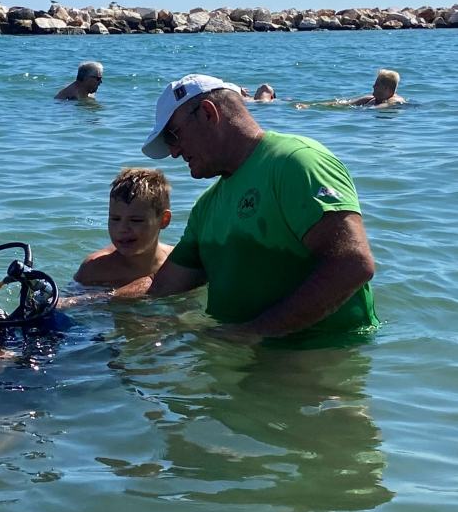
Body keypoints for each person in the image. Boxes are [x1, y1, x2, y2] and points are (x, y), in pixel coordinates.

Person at [122, 73, 378, 338]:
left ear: (208, 113)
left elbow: (353, 265)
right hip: (243, 354)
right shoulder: (207, 205)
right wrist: (94, 302)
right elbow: (161, 285)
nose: (173, 152)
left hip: (320, 357)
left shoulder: (296, 162)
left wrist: (252, 333)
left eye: (174, 136)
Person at [74, 167, 173, 288]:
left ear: (164, 220)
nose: (122, 228)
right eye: (115, 219)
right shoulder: (95, 270)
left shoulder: (178, 262)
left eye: (136, 220)